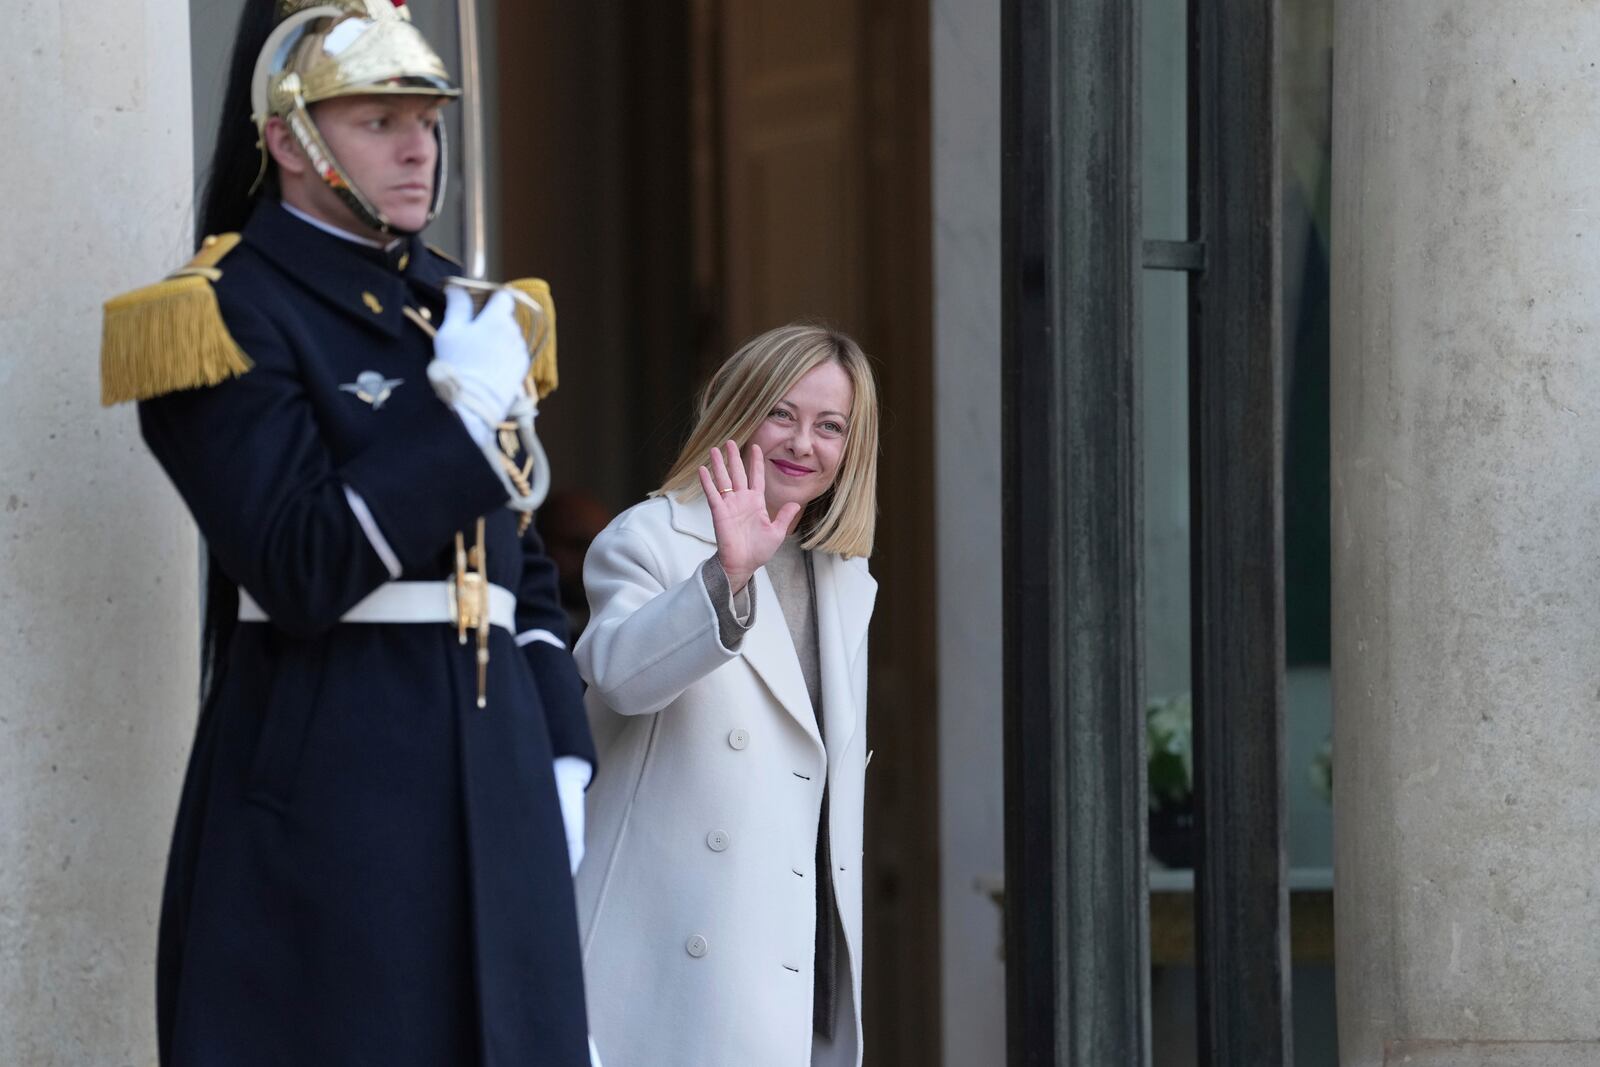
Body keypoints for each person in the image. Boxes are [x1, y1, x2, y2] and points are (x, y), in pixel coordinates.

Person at [99, 2, 596, 1063]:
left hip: (496, 781)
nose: (419, 145)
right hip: (339, 797)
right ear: (290, 139)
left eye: (426, 116)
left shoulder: (464, 313)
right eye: (378, 119)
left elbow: (524, 577)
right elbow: (299, 563)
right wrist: (455, 419)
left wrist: (559, 744)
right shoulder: (227, 312)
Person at [573, 323, 880, 1067]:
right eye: (782, 413)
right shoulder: (650, 535)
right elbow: (618, 672)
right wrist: (726, 578)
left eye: (830, 426)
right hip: (673, 962)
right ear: (737, 411)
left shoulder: (843, 578)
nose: (803, 443)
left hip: (791, 953)